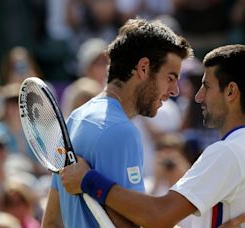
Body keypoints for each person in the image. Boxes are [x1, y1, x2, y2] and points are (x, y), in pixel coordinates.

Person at [60, 44, 245, 227]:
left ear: (231, 91)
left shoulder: (228, 152)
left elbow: (158, 216)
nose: (198, 97)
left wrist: (88, 180)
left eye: (206, 86)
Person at [41, 18, 193, 227]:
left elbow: (50, 222)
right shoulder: (121, 131)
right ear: (143, 68)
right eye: (170, 77)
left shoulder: (76, 117)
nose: (175, 90)